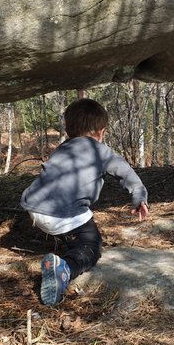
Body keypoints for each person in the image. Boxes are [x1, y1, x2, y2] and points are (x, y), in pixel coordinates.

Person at [20, 98, 149, 306]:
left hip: (34, 207)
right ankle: (65, 270)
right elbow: (127, 175)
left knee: (70, 222)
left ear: (69, 130)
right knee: (92, 245)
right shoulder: (102, 151)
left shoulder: (63, 148)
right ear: (102, 132)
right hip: (62, 214)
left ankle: (67, 241)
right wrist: (139, 197)